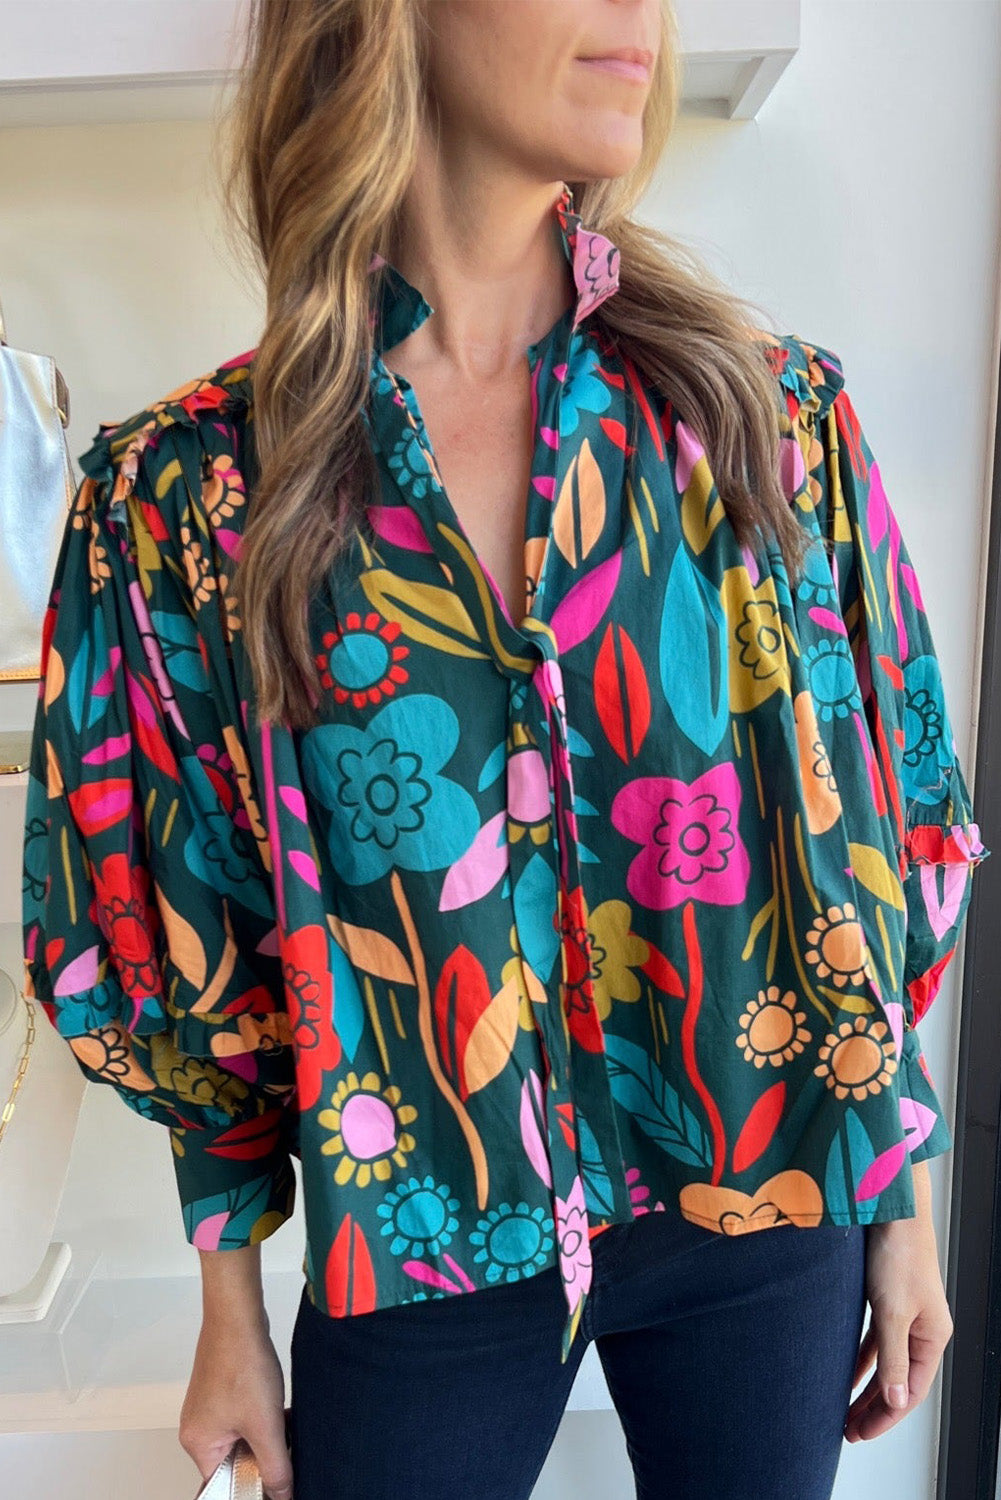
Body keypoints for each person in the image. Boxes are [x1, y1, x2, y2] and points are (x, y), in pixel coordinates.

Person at [19, 2, 989, 1498]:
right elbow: (187, 927)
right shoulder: (193, 497)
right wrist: (232, 1308)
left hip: (770, 1198)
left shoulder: (763, 419)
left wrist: (903, 1203)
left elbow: (876, 829)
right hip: (418, 1235)